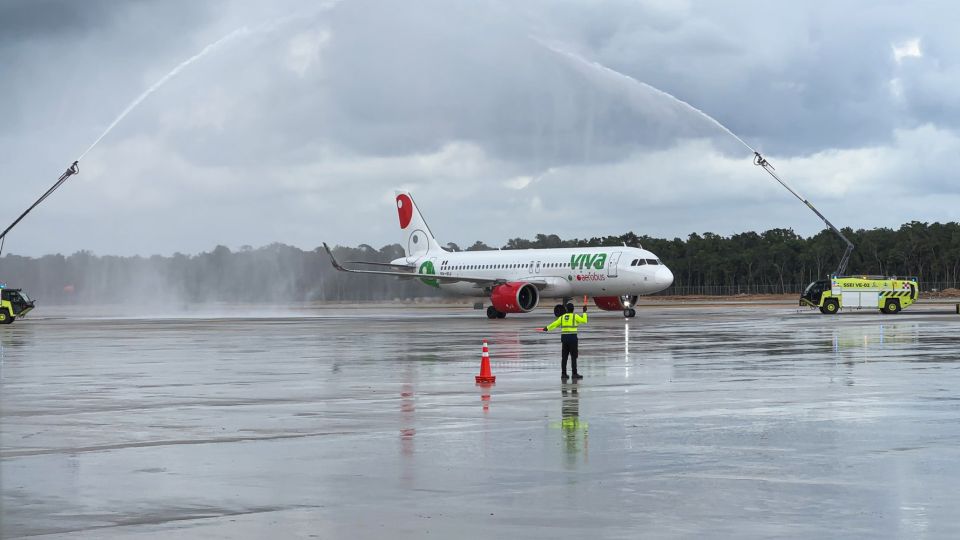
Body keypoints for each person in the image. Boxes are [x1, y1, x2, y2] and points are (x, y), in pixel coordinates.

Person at [543, 301, 588, 380]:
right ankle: (574, 374)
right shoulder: (575, 317)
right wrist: (584, 312)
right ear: (573, 309)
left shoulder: (562, 317)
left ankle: (563, 374)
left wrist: (547, 328)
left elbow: (555, 324)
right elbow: (584, 321)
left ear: (566, 309)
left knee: (564, 358)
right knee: (573, 357)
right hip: (573, 339)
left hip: (564, 339)